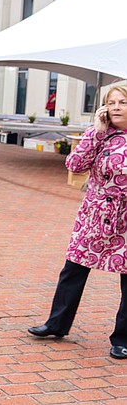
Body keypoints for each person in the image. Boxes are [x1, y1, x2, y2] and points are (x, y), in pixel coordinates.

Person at [29, 85, 127, 360]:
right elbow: (74, 165)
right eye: (112, 102)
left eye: (123, 102)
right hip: (94, 214)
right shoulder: (100, 134)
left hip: (125, 218)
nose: (116, 107)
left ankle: (123, 339)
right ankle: (56, 324)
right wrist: (96, 131)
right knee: (73, 268)